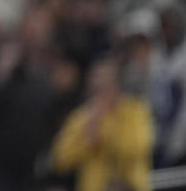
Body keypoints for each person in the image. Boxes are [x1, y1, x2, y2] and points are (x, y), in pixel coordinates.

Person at [50, 57, 153, 191]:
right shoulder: (82, 116)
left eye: (106, 85)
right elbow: (60, 159)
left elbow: (137, 148)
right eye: (96, 87)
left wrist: (104, 128)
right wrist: (87, 139)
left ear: (117, 86)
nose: (101, 92)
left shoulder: (136, 111)